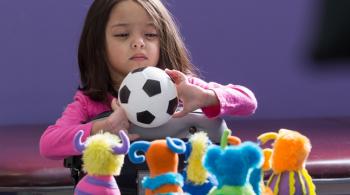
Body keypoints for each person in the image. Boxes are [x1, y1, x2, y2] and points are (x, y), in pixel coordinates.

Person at [40, 0, 257, 160]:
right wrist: (103, 127)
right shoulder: (90, 102)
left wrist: (206, 97)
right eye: (123, 34)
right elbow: (48, 145)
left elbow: (248, 101)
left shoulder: (180, 86)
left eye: (150, 35)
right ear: (98, 46)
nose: (138, 43)